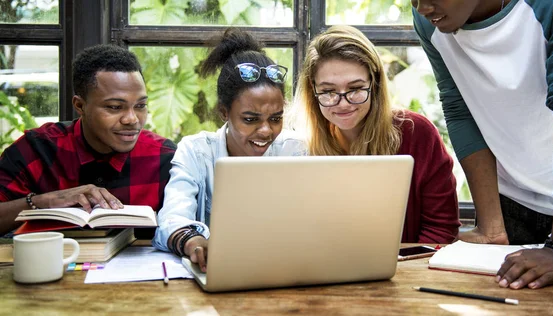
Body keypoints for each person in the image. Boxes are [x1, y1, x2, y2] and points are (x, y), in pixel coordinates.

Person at [411, 0, 553, 289]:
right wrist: (491, 226)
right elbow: (459, 106)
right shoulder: (431, 20)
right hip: (511, 205)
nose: (421, 7)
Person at [152, 28, 306, 271]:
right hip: (216, 274)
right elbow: (171, 219)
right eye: (250, 119)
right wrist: (192, 241)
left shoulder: (295, 150)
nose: (266, 131)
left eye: (276, 118)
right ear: (224, 113)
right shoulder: (196, 151)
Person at [293, 25, 460, 244]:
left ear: (375, 84)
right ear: (312, 91)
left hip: (409, 271)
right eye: (328, 92)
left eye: (355, 89)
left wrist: (402, 269)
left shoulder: (416, 132)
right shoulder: (299, 146)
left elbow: (441, 229)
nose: (343, 103)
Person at [0, 44, 176, 237]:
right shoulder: (35, 149)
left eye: (141, 105)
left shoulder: (164, 157)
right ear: (80, 105)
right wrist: (44, 202)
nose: (132, 119)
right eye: (115, 107)